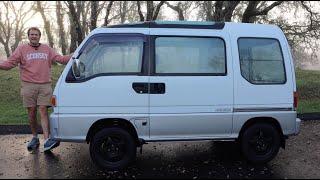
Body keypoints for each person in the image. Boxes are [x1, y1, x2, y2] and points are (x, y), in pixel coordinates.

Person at [0, 27, 73, 152]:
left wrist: (76, 54)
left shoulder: (47, 49)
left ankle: (47, 140)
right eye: (32, 34)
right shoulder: (21, 49)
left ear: (40, 36)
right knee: (32, 112)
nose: (34, 36)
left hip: (45, 85)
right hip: (28, 85)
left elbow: (60, 59)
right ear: (28, 36)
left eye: (36, 34)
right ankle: (34, 137)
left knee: (44, 110)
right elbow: (9, 64)